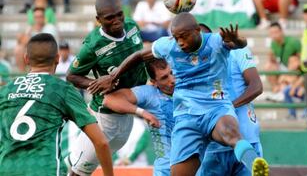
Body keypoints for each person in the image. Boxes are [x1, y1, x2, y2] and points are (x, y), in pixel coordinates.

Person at [88, 12, 269, 176]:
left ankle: (254, 163)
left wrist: (238, 41)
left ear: (197, 31)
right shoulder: (168, 46)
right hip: (187, 116)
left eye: (183, 37)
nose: (180, 42)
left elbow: (238, 44)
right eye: (176, 37)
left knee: (231, 133)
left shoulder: (215, 42)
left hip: (216, 108)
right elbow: (138, 56)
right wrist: (114, 75)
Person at [0, 33, 113, 176]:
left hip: (6, 169)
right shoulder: (62, 89)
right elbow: (101, 142)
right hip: (45, 170)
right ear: (57, 59)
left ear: (26, 59)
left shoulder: (6, 89)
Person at [65, 0, 148, 175]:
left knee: (82, 165)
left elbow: (138, 59)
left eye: (119, 15)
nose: (117, 20)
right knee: (79, 171)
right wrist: (95, 84)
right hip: (104, 117)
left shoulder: (133, 27)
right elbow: (71, 76)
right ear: (98, 20)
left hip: (127, 114)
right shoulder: (93, 45)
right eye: (110, 18)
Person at [198, 24, 264, 176]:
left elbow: (256, 86)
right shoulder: (191, 65)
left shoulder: (237, 51)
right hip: (212, 147)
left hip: (246, 139)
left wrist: (227, 107)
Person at [103, 58, 174, 175]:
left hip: (198, 164)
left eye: (171, 73)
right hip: (166, 168)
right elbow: (109, 100)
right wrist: (143, 113)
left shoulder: (184, 86)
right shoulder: (149, 93)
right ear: (154, 82)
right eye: (164, 78)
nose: (172, 80)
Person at [15, 7, 59, 72]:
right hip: (35, 53)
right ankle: (22, 73)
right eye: (36, 17)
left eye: (40, 17)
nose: (38, 19)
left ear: (44, 17)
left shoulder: (50, 27)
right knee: (19, 48)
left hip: (48, 53)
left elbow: (46, 44)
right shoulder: (30, 28)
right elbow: (23, 41)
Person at [265, 22, 301, 93]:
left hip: (293, 69)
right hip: (283, 67)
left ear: (281, 31)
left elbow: (300, 59)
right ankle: (276, 87)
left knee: (293, 61)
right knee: (268, 66)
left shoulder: (293, 42)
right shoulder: (273, 43)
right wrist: (271, 57)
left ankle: (284, 86)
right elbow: (273, 61)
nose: (274, 35)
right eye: (271, 33)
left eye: (276, 32)